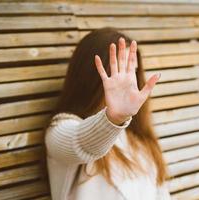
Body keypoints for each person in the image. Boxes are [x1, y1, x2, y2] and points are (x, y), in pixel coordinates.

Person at [44, 27, 172, 200]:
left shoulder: (140, 138)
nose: (129, 82)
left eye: (132, 71)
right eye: (119, 71)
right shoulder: (60, 129)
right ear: (92, 76)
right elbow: (81, 143)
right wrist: (114, 118)